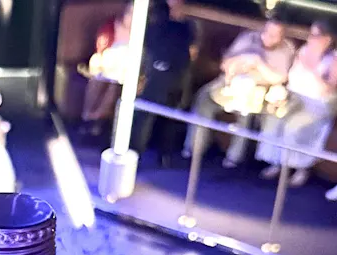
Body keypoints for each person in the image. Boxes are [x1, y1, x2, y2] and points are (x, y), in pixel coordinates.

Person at [184, 17, 295, 167]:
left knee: (245, 113)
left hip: (259, 90)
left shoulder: (286, 48)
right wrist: (241, 61)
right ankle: (194, 148)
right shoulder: (249, 38)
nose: (268, 37)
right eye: (267, 32)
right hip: (230, 82)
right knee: (204, 98)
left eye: (274, 35)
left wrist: (258, 63)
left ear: (282, 36)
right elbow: (225, 63)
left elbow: (279, 78)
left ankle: (234, 158)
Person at [257, 20, 337, 189]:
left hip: (318, 103)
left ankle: (301, 169)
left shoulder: (333, 59)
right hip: (295, 97)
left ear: (327, 39)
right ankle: (277, 163)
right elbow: (292, 77)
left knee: (294, 125)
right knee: (275, 117)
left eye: (315, 35)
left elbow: (328, 89)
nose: (310, 38)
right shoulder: (303, 51)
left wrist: (311, 69)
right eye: (311, 34)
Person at [134, 0, 194, 157]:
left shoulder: (187, 26)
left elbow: (190, 54)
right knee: (148, 106)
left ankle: (161, 152)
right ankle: (139, 150)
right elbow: (147, 45)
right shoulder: (156, 16)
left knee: (165, 108)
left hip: (174, 73)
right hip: (155, 70)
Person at [81, 4, 132, 136]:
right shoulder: (111, 25)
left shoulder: (140, 33)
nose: (131, 17)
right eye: (129, 13)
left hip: (124, 68)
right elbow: (102, 46)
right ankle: (87, 116)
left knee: (113, 86)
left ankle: (96, 119)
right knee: (96, 79)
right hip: (108, 62)